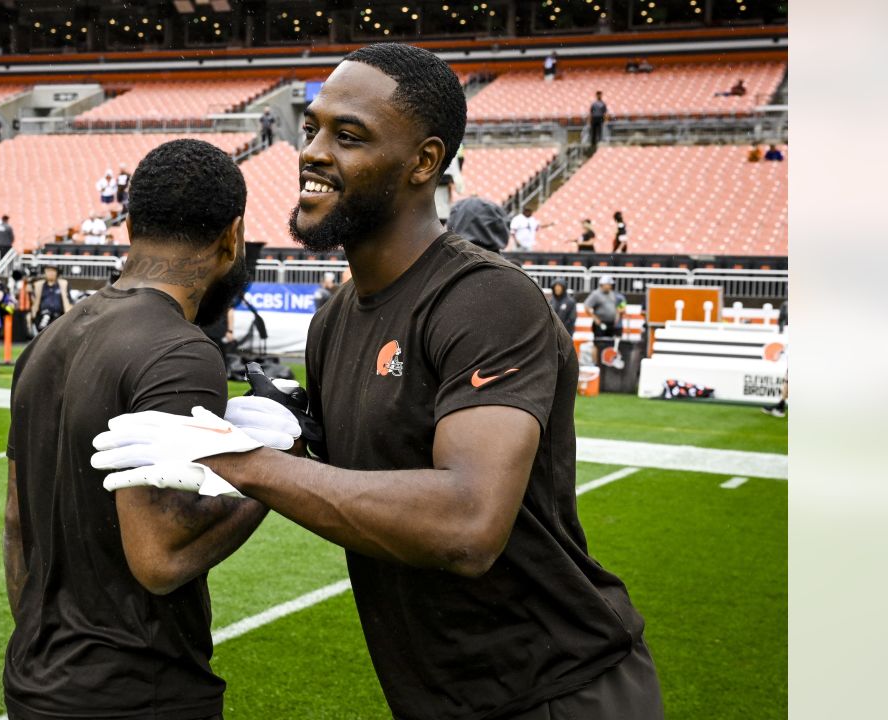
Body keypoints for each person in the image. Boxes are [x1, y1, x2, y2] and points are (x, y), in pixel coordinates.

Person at [93, 43, 661, 720]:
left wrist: (248, 463)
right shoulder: (332, 323)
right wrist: (277, 439)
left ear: (424, 161)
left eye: (349, 135)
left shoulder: (486, 300)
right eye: (311, 129)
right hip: (441, 699)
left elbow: (469, 524)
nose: (312, 151)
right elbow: (347, 492)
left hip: (561, 692)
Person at [2, 138, 265, 720]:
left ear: (128, 224)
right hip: (136, 691)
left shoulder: (52, 337)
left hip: (35, 678)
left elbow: (17, 521)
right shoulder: (180, 351)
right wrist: (273, 466)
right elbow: (160, 556)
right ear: (234, 235)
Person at [585, 275, 626, 347]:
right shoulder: (596, 294)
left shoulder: (612, 294)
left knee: (610, 344)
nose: (610, 286)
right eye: (609, 284)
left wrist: (616, 317)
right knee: (598, 344)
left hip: (611, 324)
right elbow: (587, 306)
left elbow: (616, 307)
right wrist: (595, 318)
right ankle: (597, 358)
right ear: (603, 284)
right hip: (600, 324)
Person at [31, 264, 72, 333]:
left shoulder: (63, 285)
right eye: (48, 271)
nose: (51, 273)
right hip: (43, 315)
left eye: (53, 271)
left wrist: (63, 290)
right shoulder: (40, 285)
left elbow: (68, 306)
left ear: (57, 272)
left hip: (58, 316)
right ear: (45, 272)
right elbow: (34, 308)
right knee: (43, 320)